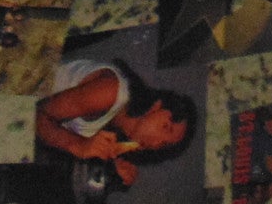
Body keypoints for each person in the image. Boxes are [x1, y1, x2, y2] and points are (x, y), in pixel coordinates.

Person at [34, 59, 197, 190]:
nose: (155, 144)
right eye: (166, 127)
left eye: (164, 144)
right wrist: (80, 145)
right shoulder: (109, 91)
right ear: (156, 106)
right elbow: (36, 116)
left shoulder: (119, 128)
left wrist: (111, 168)